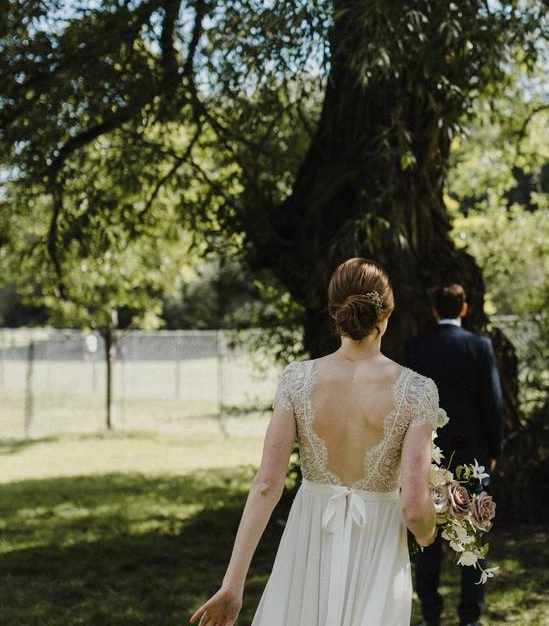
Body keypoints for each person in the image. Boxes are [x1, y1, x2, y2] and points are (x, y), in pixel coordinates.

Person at [190, 257, 445, 626]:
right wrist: (430, 532)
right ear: (387, 312)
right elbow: (415, 509)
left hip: (308, 543)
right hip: (377, 550)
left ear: (334, 313)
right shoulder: (418, 391)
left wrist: (233, 584)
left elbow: (266, 484)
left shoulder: (296, 379)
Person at [403, 283, 504, 626]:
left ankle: (431, 614)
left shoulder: (415, 349)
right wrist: (494, 451)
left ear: (434, 310)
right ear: (464, 308)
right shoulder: (480, 347)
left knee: (426, 537)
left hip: (426, 457)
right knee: (472, 538)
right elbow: (493, 405)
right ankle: (469, 617)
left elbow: (407, 407)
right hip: (473, 458)